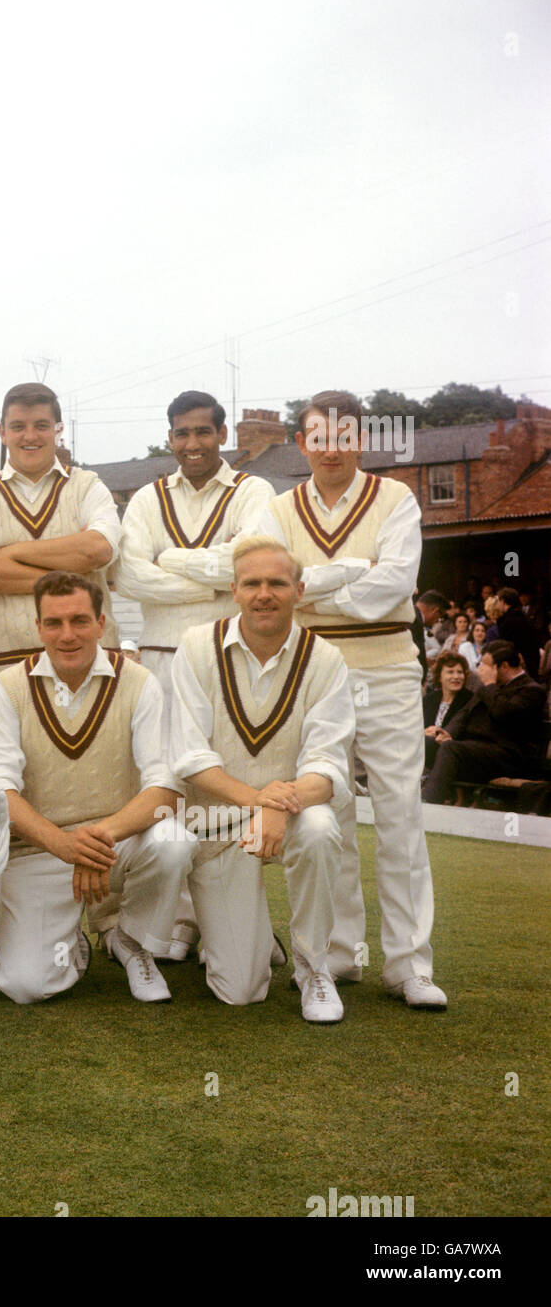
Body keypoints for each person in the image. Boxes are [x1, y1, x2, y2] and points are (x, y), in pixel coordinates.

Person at [257, 389, 446, 1010]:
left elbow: (395, 584)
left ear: (360, 440)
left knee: (400, 817)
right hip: (311, 673)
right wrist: (347, 574)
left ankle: (409, 964)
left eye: (343, 438)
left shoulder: (397, 498)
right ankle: (339, 955)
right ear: (303, 442)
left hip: (388, 667)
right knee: (326, 816)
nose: (331, 449)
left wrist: (314, 591)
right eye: (319, 438)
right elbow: (276, 586)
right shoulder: (280, 509)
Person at [0, 570, 195, 1008]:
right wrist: (64, 845)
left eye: (79, 621)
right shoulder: (9, 686)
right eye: (53, 623)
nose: (67, 634)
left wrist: (97, 838)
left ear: (101, 623)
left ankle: (131, 943)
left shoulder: (139, 682)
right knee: (26, 986)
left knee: (174, 842)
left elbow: (165, 789)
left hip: (114, 846)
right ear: (37, 627)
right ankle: (70, 941)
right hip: (40, 849)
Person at [169, 538, 355, 1022]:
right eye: (252, 583)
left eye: (277, 582)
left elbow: (328, 765)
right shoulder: (194, 647)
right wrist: (258, 801)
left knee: (319, 829)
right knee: (241, 990)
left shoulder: (327, 659)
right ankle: (250, 941)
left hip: (293, 814)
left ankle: (314, 967)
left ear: (299, 589)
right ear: (234, 590)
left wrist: (274, 807)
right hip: (219, 817)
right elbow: (188, 756)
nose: (264, 594)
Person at [118, 390, 274, 961]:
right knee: (168, 791)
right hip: (160, 658)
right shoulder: (145, 498)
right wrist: (215, 575)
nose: (192, 445)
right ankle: (175, 925)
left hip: (226, 658)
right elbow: (129, 577)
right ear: (170, 439)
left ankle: (229, 924)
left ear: (222, 434)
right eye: (182, 434)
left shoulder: (254, 491)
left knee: (225, 786)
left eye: (202, 433)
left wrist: (172, 560)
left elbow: (252, 562)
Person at [0, 382, 120, 706]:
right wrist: (74, 577)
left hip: (88, 665)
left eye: (41, 426)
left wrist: (9, 553)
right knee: (3, 759)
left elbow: (98, 549)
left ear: (58, 431)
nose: (30, 436)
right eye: (18, 427)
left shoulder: (87, 486)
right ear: (2, 432)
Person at [422, 641, 545, 804]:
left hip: (506, 756)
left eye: (486, 665)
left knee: (451, 748)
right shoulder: (491, 688)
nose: (480, 669)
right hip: (475, 751)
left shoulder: (531, 690)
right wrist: (447, 733)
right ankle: (401, 796)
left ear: (504, 666)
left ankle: (428, 802)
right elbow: (464, 714)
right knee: (425, 743)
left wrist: (489, 684)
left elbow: (503, 713)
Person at [422, 652, 475, 772]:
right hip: (426, 751)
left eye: (460, 672)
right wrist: (423, 732)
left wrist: (447, 739)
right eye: (450, 672)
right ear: (440, 677)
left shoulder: (470, 700)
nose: (456, 676)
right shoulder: (429, 699)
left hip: (453, 754)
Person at [492, 587, 542, 682]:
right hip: (532, 664)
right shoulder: (524, 617)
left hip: (518, 667)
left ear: (502, 601)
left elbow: (507, 647)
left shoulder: (507, 622)